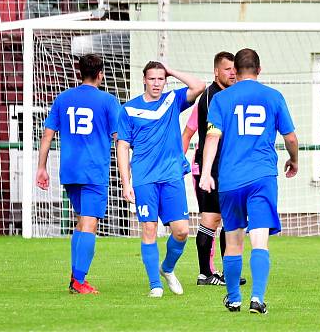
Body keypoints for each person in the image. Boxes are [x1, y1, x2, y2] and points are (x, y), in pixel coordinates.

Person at [199, 48, 299, 315]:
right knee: (259, 240)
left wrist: (207, 172)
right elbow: (290, 137)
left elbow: (211, 137)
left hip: (230, 179)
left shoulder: (221, 99)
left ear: (236, 70)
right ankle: (257, 298)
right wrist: (294, 159)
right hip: (262, 177)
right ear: (259, 69)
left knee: (233, 241)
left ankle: (233, 298)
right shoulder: (273, 97)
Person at [117, 61, 205, 297]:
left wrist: (172, 70)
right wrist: (126, 183)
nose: (156, 83)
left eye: (160, 79)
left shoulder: (172, 100)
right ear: (144, 80)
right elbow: (123, 146)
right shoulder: (128, 110)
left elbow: (199, 86)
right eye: (152, 78)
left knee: (182, 232)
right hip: (144, 179)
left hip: (171, 176)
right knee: (149, 228)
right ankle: (155, 285)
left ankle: (167, 269)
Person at [36, 54, 121, 294]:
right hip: (93, 171)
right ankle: (79, 281)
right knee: (89, 224)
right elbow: (118, 137)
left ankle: (75, 276)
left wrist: (41, 167)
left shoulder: (63, 99)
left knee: (81, 222)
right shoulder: (107, 101)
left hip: (70, 171)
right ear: (101, 74)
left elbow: (47, 135)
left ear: (79, 73)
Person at [181, 51, 245, 287]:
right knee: (211, 218)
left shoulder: (229, 96)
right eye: (227, 69)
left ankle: (228, 271)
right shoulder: (211, 98)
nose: (232, 73)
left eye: (234, 69)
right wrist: (183, 161)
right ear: (216, 71)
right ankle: (205, 273)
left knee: (227, 219)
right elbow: (207, 135)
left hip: (226, 167)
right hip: (210, 167)